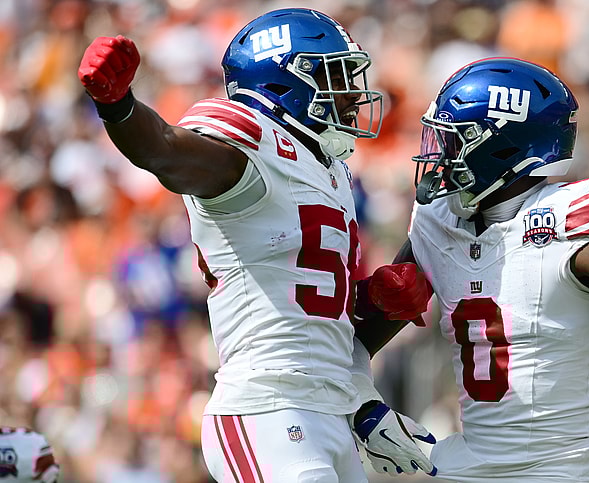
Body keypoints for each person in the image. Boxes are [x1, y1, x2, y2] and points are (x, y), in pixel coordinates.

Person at [77, 8, 435, 482]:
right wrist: (119, 106)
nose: (351, 95)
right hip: (267, 407)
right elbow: (164, 150)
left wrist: (373, 299)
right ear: (285, 83)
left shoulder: (330, 171)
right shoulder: (250, 147)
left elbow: (314, 314)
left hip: (333, 408)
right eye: (335, 77)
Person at [353, 57, 589, 482]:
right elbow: (355, 342)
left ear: (501, 147)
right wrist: (364, 407)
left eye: (455, 140)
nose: (439, 154)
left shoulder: (579, 217)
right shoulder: (436, 220)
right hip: (463, 464)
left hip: (564, 469)